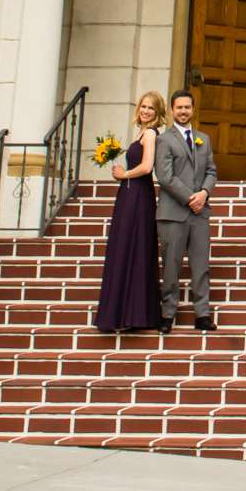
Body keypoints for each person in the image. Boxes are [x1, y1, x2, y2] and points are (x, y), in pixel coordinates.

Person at [94, 91, 164, 334]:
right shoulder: (140, 133)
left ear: (158, 113)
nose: (146, 111)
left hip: (139, 196)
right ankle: (121, 312)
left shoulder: (151, 134)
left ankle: (133, 313)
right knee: (123, 246)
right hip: (129, 193)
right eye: (143, 106)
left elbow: (146, 167)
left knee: (134, 246)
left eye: (151, 108)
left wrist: (124, 174)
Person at [155, 88, 217, 331]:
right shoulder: (164, 140)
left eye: (187, 107)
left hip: (199, 212)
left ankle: (202, 314)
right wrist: (190, 197)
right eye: (179, 107)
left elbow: (212, 171)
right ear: (172, 110)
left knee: (201, 265)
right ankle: (168, 314)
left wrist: (204, 193)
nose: (183, 111)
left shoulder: (204, 138)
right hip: (173, 212)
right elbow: (165, 176)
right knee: (171, 265)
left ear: (193, 109)